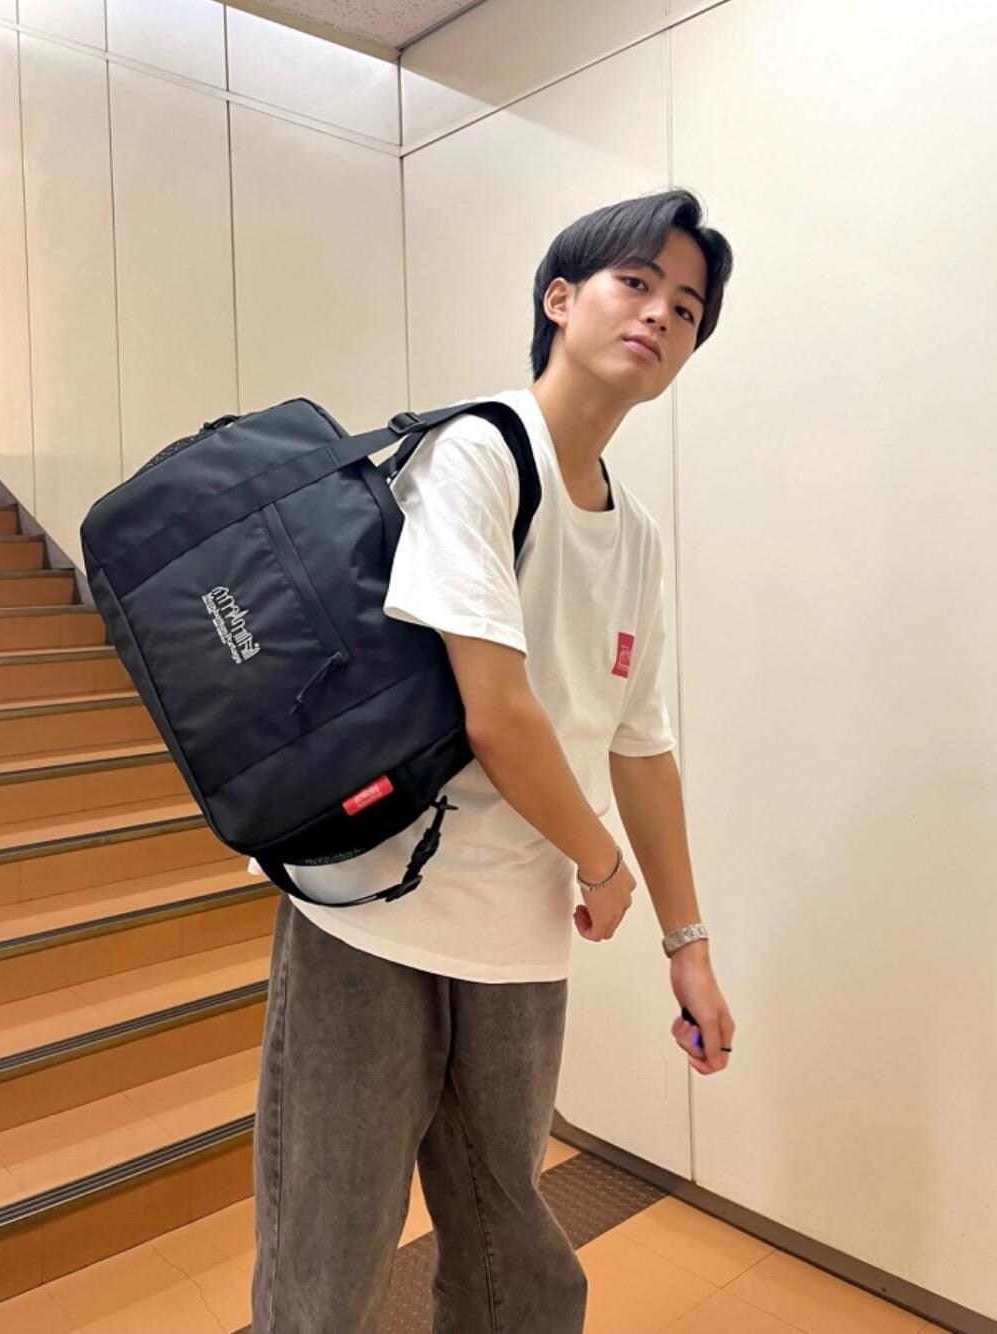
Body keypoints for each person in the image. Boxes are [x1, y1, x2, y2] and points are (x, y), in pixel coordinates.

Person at [250, 187, 737, 1334]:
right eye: (635, 282)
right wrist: (603, 868)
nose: (659, 314)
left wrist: (688, 944)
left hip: (517, 940)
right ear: (559, 299)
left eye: (685, 307)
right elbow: (498, 714)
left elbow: (642, 748)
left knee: (508, 1244)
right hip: (374, 913)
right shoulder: (478, 451)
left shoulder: (638, 536)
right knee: (333, 1247)